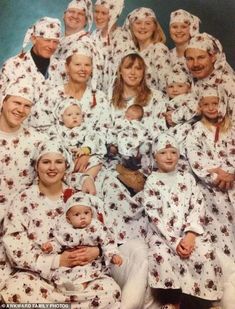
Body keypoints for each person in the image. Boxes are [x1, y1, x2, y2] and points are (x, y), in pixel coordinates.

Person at [1, 140, 121, 307]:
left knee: (110, 291)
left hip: (82, 277)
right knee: (15, 289)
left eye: (58, 162)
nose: (52, 167)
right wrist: (57, 261)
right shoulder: (23, 199)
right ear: (37, 166)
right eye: (46, 162)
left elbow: (104, 234)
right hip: (40, 278)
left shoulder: (81, 198)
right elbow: (14, 243)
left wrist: (97, 251)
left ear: (66, 166)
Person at [101, 52, 168, 309]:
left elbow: (162, 140)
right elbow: (101, 137)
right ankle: (122, 277)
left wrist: (143, 169)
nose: (133, 73)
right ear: (119, 71)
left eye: (138, 68)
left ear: (144, 72)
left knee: (148, 240)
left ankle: (150, 296)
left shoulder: (157, 100)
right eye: (128, 68)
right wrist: (120, 165)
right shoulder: (110, 101)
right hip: (115, 171)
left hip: (147, 173)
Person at [144, 133, 223, 309]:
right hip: (164, 235)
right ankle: (173, 301)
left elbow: (197, 206)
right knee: (162, 256)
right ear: (155, 156)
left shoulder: (187, 178)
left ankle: (199, 303)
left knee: (205, 253)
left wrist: (190, 235)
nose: (169, 156)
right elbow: (154, 215)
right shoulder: (152, 181)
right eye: (163, 152)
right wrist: (175, 241)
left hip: (189, 232)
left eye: (173, 151)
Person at [0, 77, 46, 289]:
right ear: (3, 101)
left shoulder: (35, 140)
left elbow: (54, 168)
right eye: (16, 103)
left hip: (19, 223)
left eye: (27, 105)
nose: (21, 109)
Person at [186, 86, 235, 260]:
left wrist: (231, 173)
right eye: (206, 104)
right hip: (212, 189)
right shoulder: (197, 129)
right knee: (220, 232)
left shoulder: (231, 128)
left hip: (233, 183)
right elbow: (195, 155)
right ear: (200, 107)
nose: (211, 107)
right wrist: (216, 174)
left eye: (215, 103)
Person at [41, 192, 122, 293]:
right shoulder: (64, 228)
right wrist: (51, 247)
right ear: (68, 219)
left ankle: (81, 286)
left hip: (90, 263)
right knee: (61, 273)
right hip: (69, 263)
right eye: (77, 214)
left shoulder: (96, 226)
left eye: (86, 213)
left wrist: (113, 255)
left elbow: (108, 241)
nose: (82, 217)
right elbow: (58, 242)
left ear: (91, 213)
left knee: (87, 272)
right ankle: (63, 286)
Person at [0, 17, 62, 113]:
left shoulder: (61, 67)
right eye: (47, 40)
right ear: (33, 39)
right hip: (19, 125)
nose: (51, 46)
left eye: (55, 42)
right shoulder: (12, 66)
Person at [117, 7, 171, 93]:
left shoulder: (159, 49)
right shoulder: (130, 52)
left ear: (154, 27)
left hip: (154, 103)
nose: (143, 27)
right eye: (138, 23)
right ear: (131, 26)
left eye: (148, 23)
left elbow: (166, 86)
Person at [184, 32, 235, 121]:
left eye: (201, 57)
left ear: (213, 57)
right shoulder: (193, 79)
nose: (195, 64)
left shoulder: (227, 82)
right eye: (190, 59)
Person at [50, 98, 105, 179]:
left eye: (78, 114)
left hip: (83, 155)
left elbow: (93, 139)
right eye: (69, 115)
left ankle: (87, 179)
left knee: (96, 161)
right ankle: (68, 180)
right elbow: (53, 143)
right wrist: (66, 151)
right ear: (61, 117)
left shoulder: (86, 128)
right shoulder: (56, 129)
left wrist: (85, 149)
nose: (74, 117)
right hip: (66, 157)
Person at [92, 0, 125, 91]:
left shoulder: (122, 38)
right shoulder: (94, 35)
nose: (98, 16)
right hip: (94, 94)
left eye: (104, 13)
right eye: (96, 11)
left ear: (114, 15)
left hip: (115, 95)